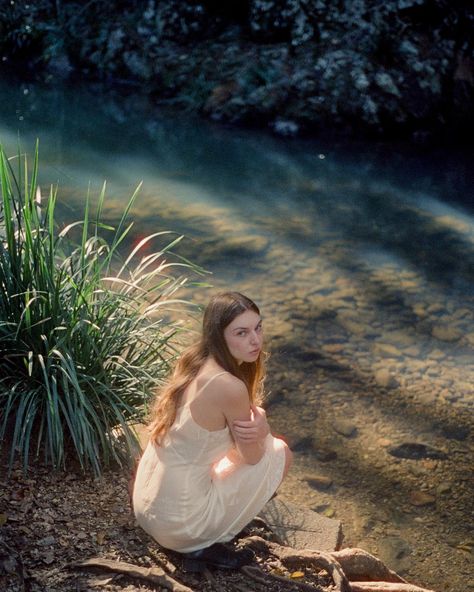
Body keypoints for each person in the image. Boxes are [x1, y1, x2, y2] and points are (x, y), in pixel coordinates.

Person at [132, 291, 292, 571]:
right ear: (219, 336)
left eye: (258, 327)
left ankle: (209, 523)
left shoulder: (194, 361)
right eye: (241, 332)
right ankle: (201, 544)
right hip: (180, 524)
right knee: (279, 452)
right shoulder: (229, 386)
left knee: (223, 460)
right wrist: (263, 426)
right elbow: (253, 457)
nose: (255, 340)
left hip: (147, 506)